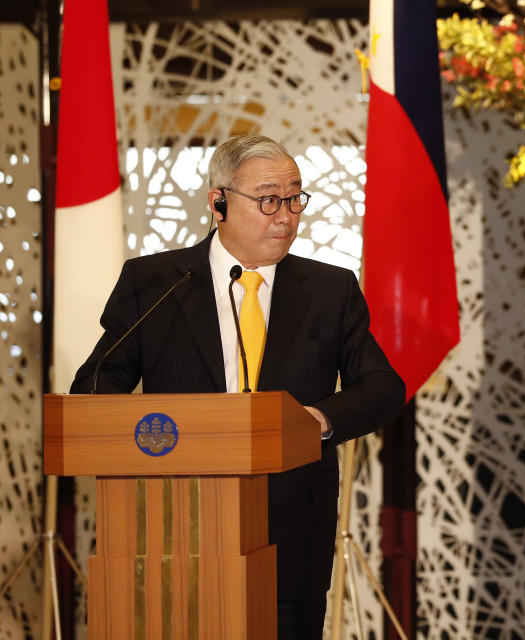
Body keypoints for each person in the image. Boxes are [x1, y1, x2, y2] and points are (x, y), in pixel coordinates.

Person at [71, 134, 406, 637]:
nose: (286, 214)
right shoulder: (156, 282)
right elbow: (98, 381)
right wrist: (151, 438)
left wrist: (316, 420)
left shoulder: (330, 289)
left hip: (292, 524)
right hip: (174, 521)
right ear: (219, 202)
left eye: (295, 198)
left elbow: (382, 386)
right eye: (269, 198)